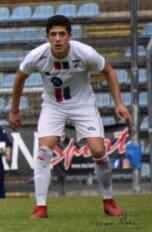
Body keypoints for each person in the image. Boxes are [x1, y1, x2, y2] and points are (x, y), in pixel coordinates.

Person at [9, 15, 132, 219]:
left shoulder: (84, 53)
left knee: (99, 151)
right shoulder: (37, 56)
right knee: (43, 151)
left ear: (69, 36)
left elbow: (108, 71)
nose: (58, 39)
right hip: (53, 106)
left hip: (83, 105)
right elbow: (20, 77)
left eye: (62, 34)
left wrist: (119, 103)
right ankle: (41, 207)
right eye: (53, 34)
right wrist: (14, 110)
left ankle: (108, 201)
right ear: (47, 37)